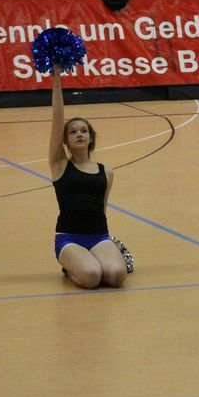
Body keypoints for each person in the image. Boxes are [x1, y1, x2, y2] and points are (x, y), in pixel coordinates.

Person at [49, 66, 127, 289]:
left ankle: (98, 259)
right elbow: (57, 118)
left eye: (83, 131)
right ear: (65, 140)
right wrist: (57, 76)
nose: (79, 134)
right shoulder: (60, 164)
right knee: (92, 277)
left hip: (98, 236)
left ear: (91, 137)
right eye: (73, 132)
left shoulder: (106, 172)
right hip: (69, 237)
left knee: (117, 276)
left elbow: (102, 208)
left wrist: (105, 243)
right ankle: (69, 268)